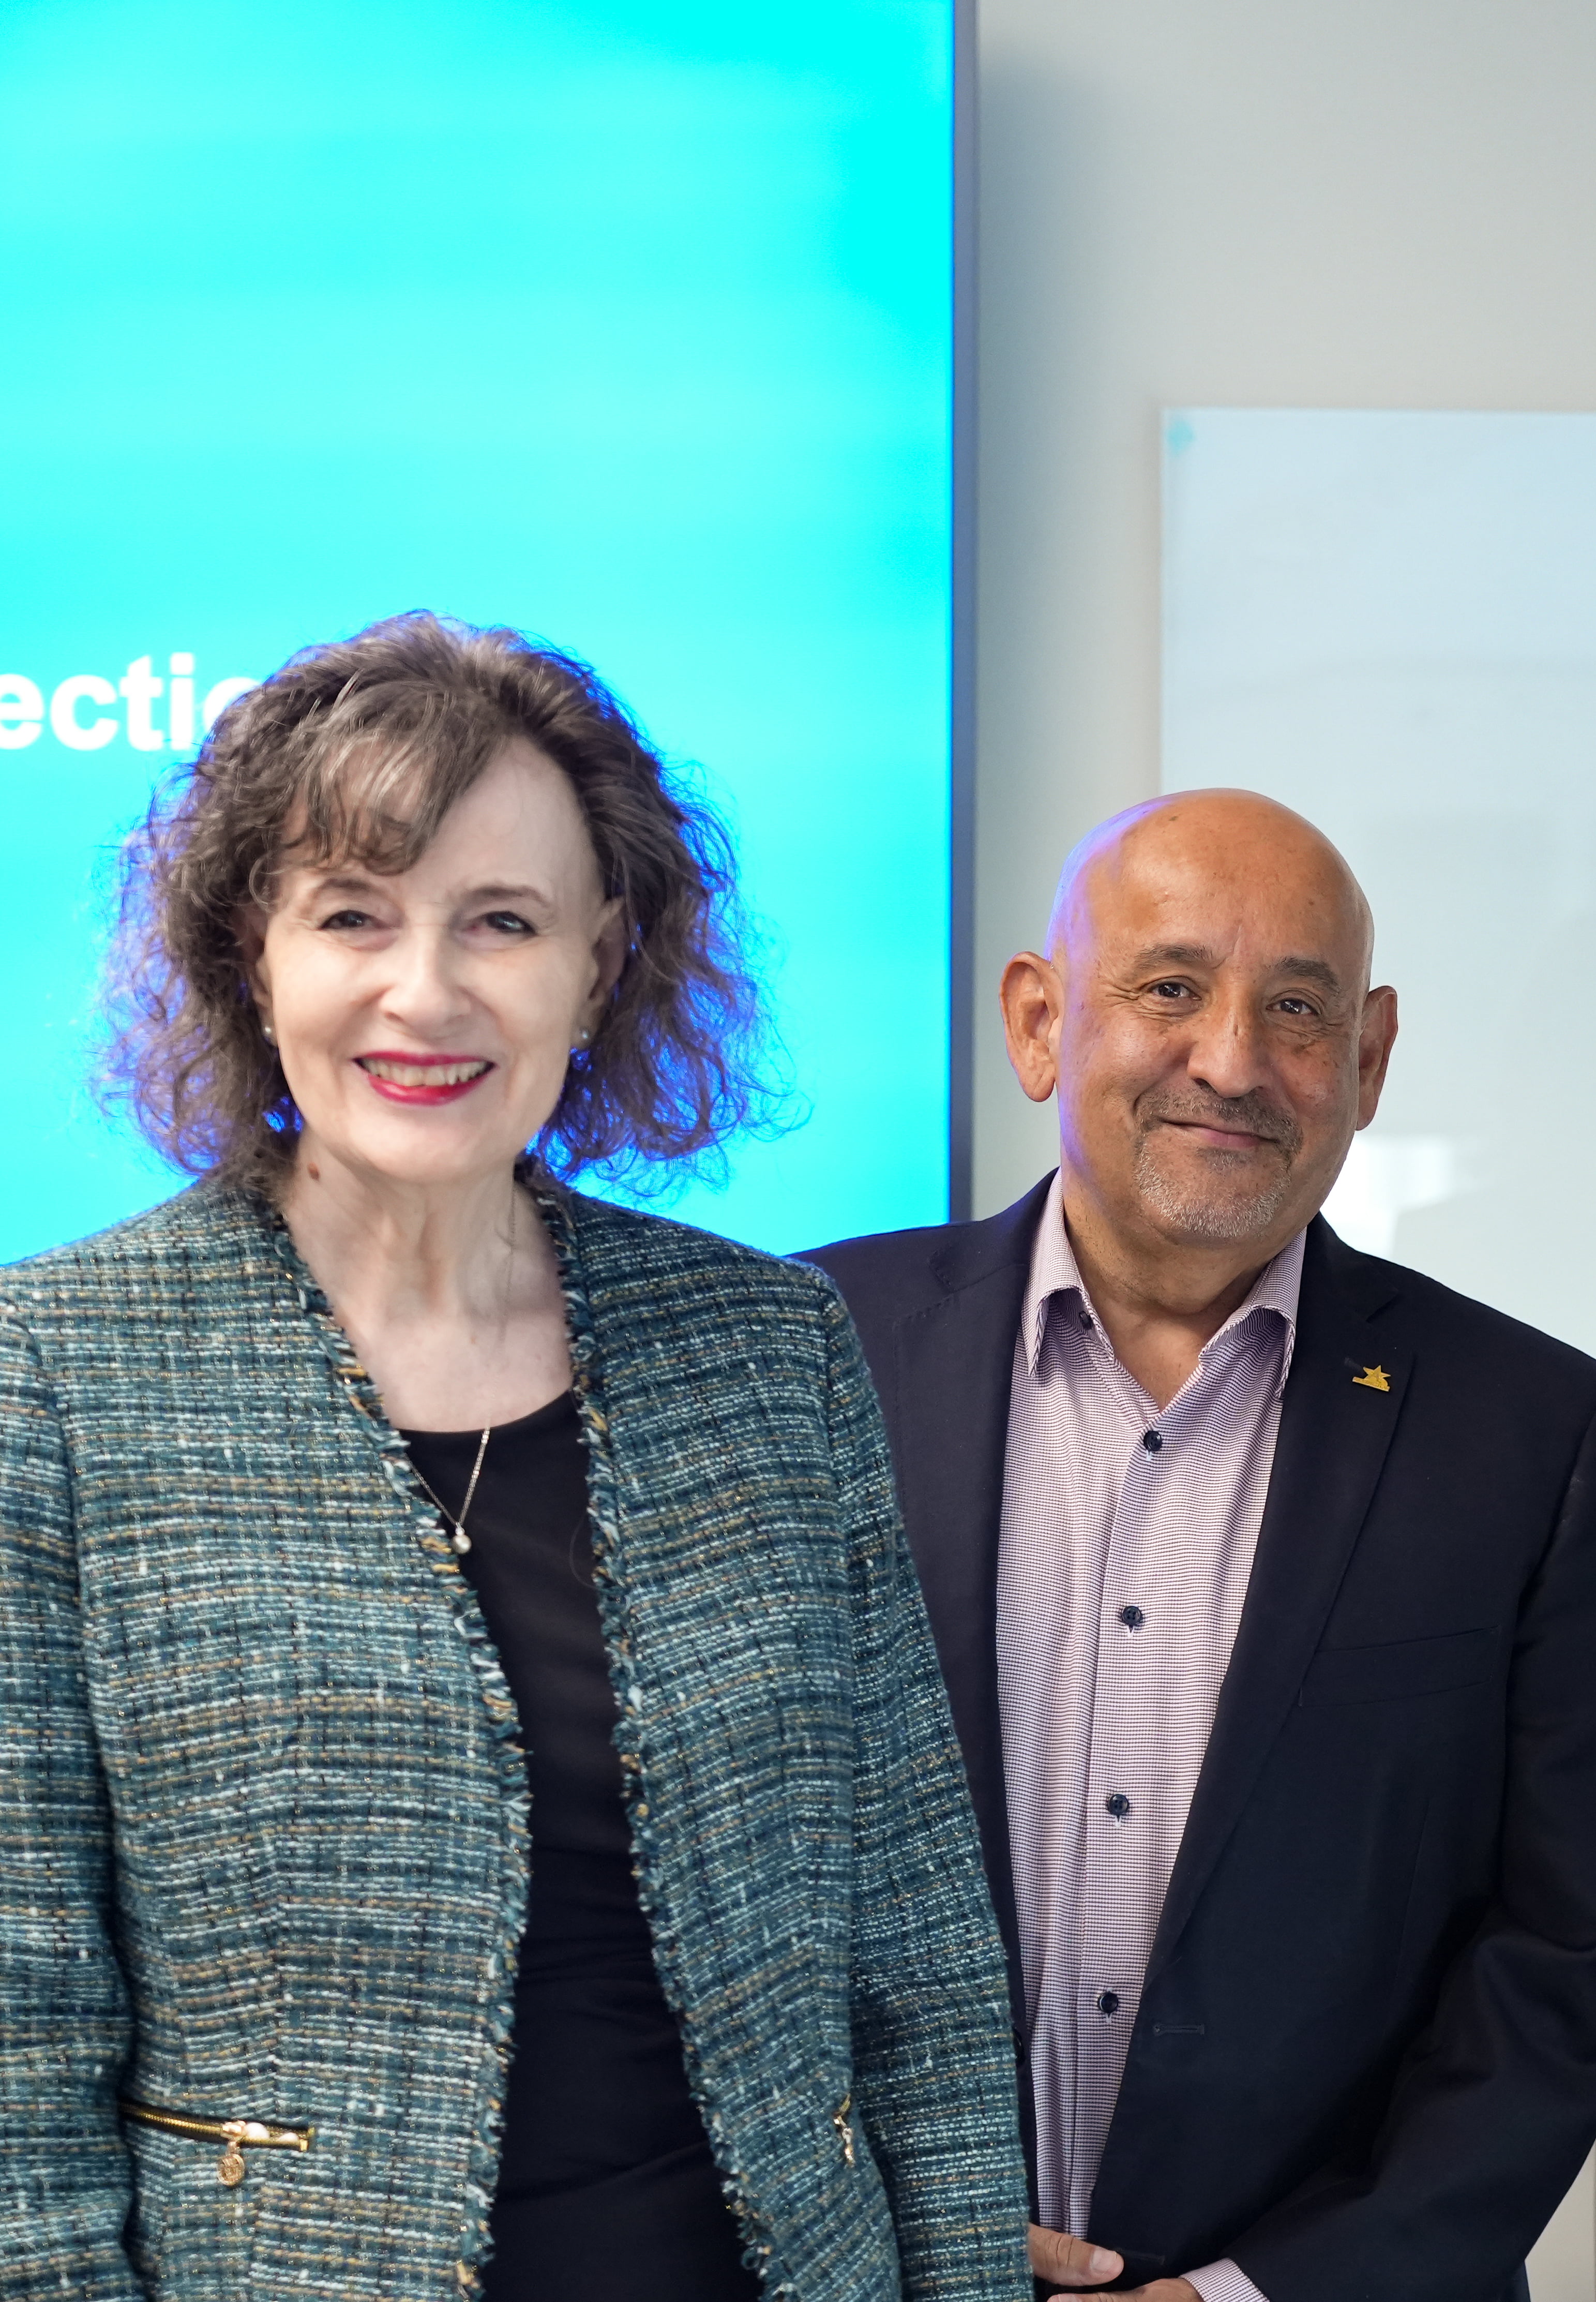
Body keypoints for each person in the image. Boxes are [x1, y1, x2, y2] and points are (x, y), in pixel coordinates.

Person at [0, 614, 1028, 2300]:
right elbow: (21, 2041)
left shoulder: (772, 1350)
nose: (427, 991)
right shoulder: (54, 1370)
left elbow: (915, 1948)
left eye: (502, 921)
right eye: (353, 916)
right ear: (250, 953)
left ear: (601, 961)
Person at [804, 790, 1596, 2302]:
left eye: (1296, 1009)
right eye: (1170, 987)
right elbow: (680, 1893)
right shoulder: (803, 1357)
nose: (1231, 1061)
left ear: (1369, 1058)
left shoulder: (1535, 1434)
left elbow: (1565, 1966)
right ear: (1035, 1020)